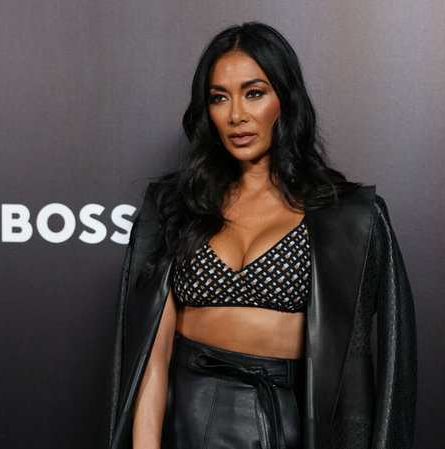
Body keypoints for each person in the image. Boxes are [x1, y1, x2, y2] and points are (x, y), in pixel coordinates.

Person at [103, 22, 417, 449]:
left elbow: (384, 362)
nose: (236, 115)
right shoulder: (176, 207)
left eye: (254, 93)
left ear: (285, 98)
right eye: (219, 98)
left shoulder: (347, 217)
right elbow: (151, 357)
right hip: (188, 419)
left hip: (291, 423)